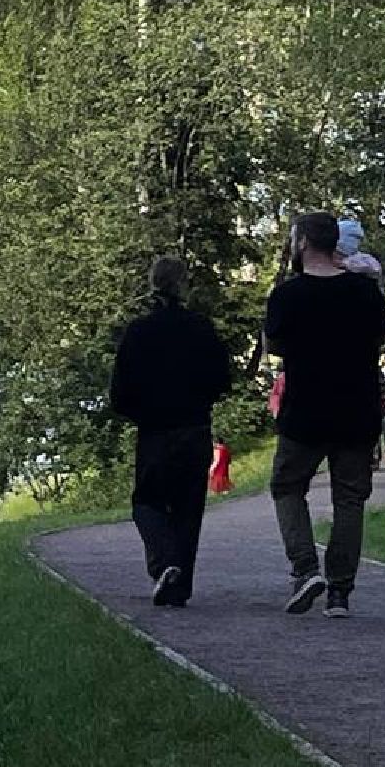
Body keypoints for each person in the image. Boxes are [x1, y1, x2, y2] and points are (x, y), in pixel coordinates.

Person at [264, 212, 385, 618]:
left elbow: (274, 345)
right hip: (357, 410)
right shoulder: (364, 291)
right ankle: (340, 591)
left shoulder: (287, 295)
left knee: (287, 486)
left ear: (302, 243)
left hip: (305, 410)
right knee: (350, 499)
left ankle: (305, 569)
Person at [109, 258, 232, 606]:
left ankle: (164, 562)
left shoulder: (138, 332)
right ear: (184, 286)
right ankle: (179, 585)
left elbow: (119, 393)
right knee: (188, 507)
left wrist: (140, 412)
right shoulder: (201, 328)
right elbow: (222, 380)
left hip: (154, 430)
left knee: (146, 502)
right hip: (194, 427)